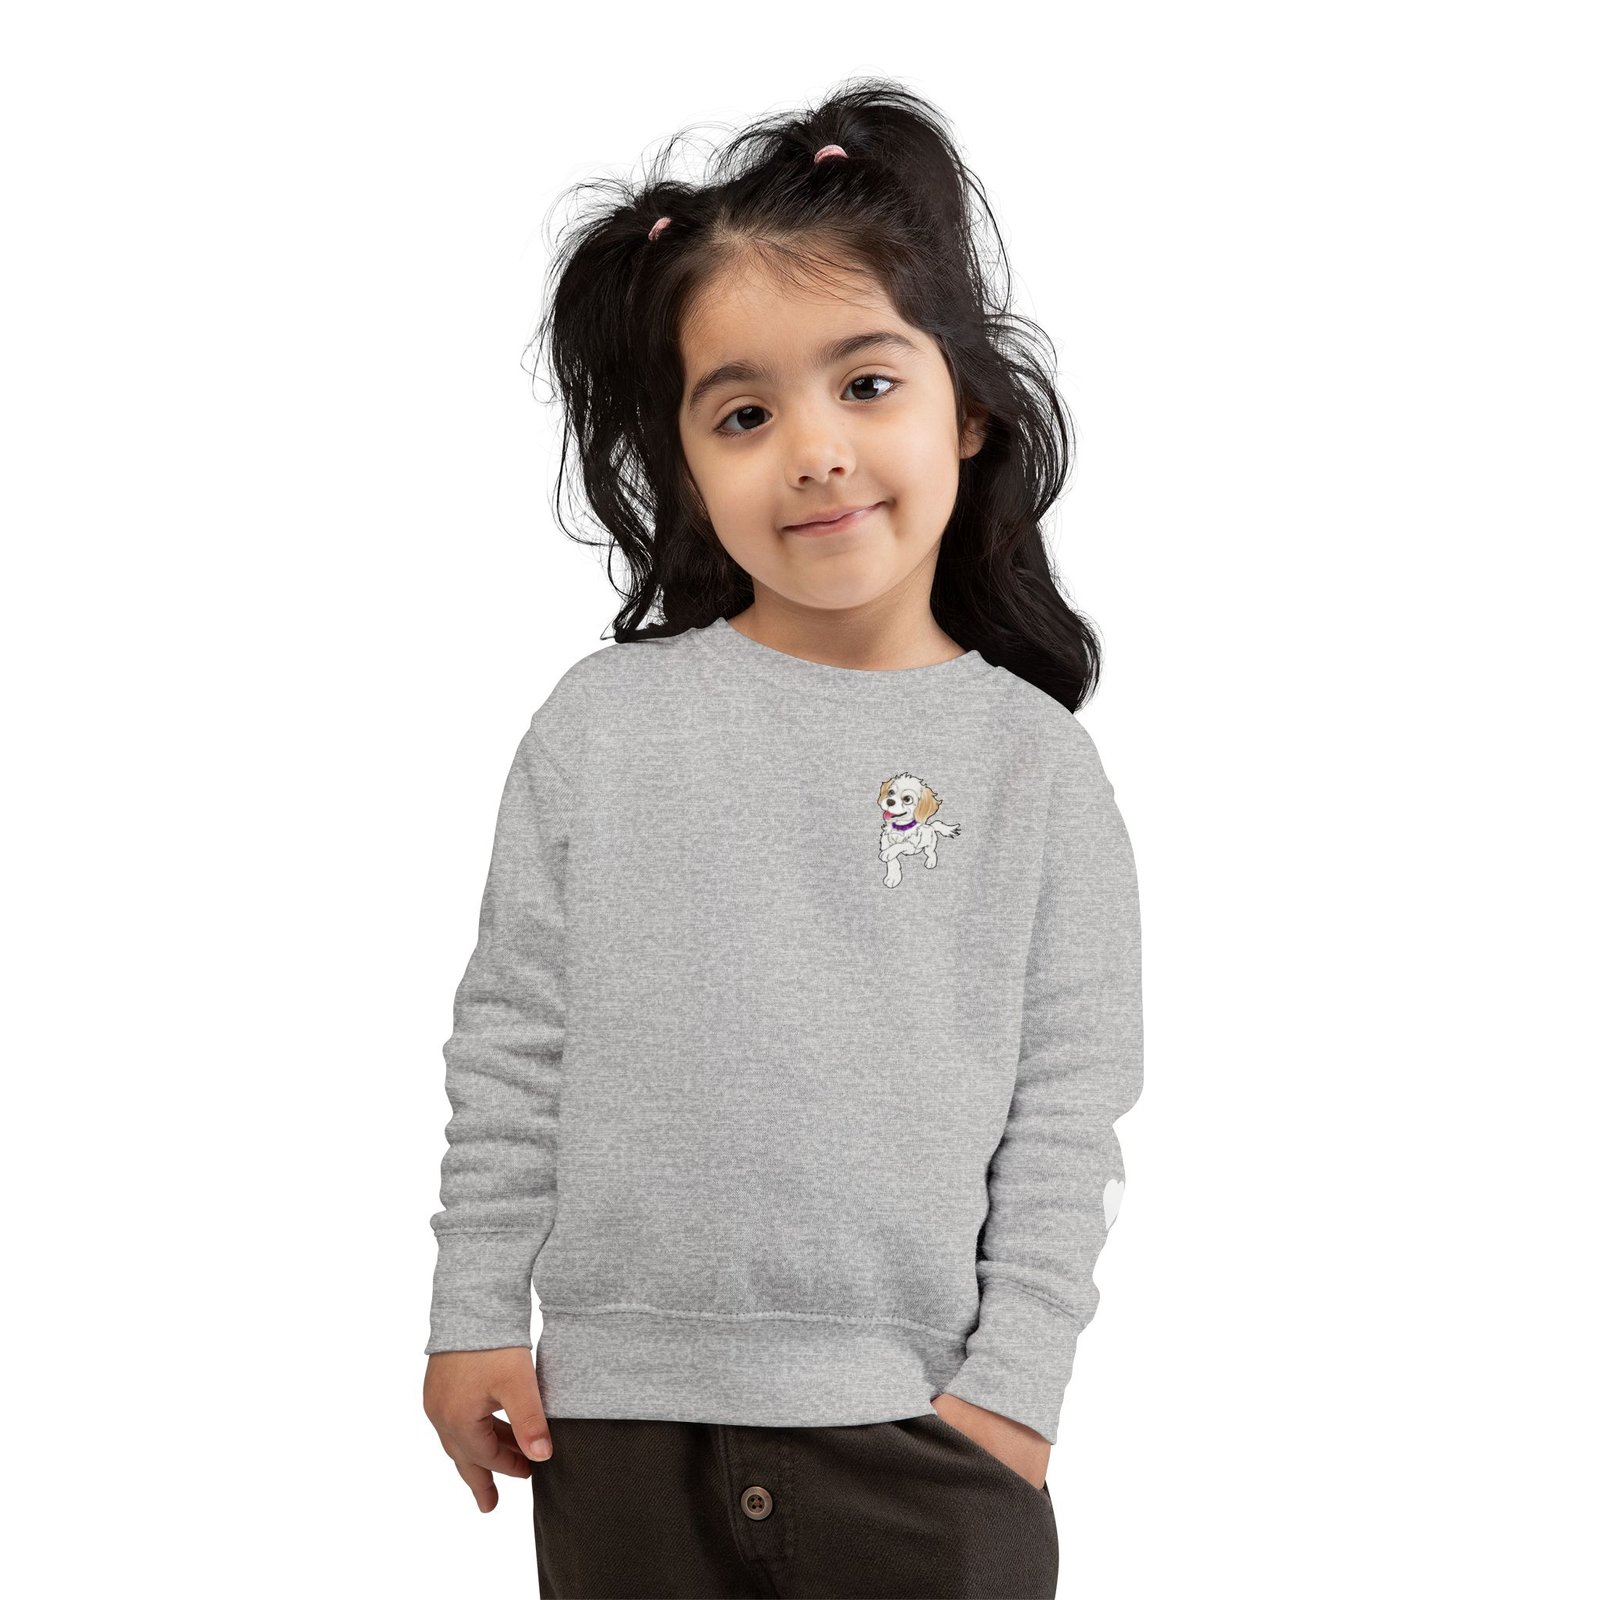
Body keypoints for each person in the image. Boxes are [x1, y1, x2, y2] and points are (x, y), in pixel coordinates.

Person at [421, 78, 1144, 1600]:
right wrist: (474, 1308)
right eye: (745, 414)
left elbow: (1070, 1101)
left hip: (924, 1437)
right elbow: (513, 1035)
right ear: (687, 465)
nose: (813, 450)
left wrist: (1012, 1392)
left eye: (865, 384)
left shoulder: (1034, 764)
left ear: (969, 406)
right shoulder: (603, 726)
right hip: (619, 1430)